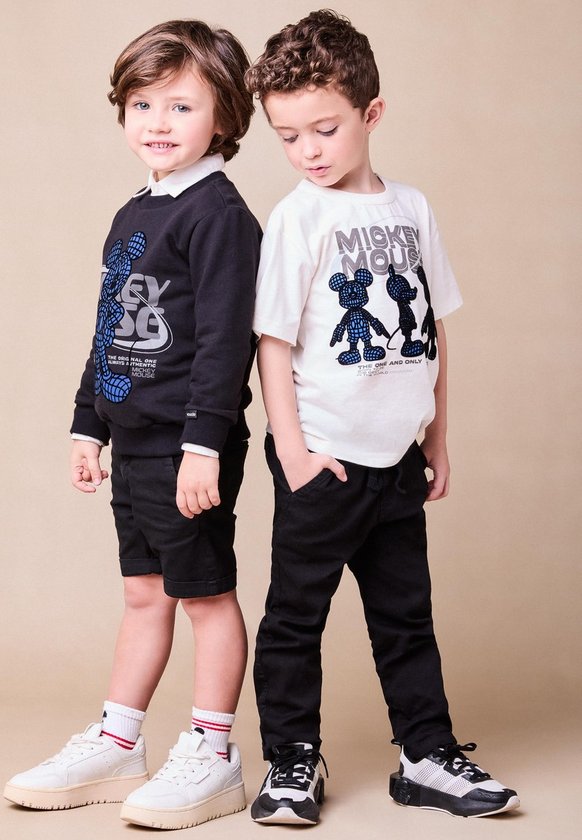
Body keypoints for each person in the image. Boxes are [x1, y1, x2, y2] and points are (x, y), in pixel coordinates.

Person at [245, 9, 519, 825]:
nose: (308, 151)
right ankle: (292, 759)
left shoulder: (412, 209)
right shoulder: (297, 218)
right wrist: (293, 452)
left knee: (406, 618)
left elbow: (432, 329)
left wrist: (438, 437)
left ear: (372, 113)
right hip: (324, 459)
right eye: (288, 137)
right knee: (296, 618)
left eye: (324, 130)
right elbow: (272, 341)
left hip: (396, 461)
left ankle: (426, 755)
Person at [3, 19, 261, 830]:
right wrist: (89, 424)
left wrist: (203, 446)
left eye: (181, 106)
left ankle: (213, 751)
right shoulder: (135, 212)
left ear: (224, 116)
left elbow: (227, 342)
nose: (157, 122)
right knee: (144, 593)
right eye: (142, 104)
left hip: (188, 446)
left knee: (204, 596)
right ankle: (119, 740)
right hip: (135, 442)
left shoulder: (220, 216)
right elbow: (108, 325)